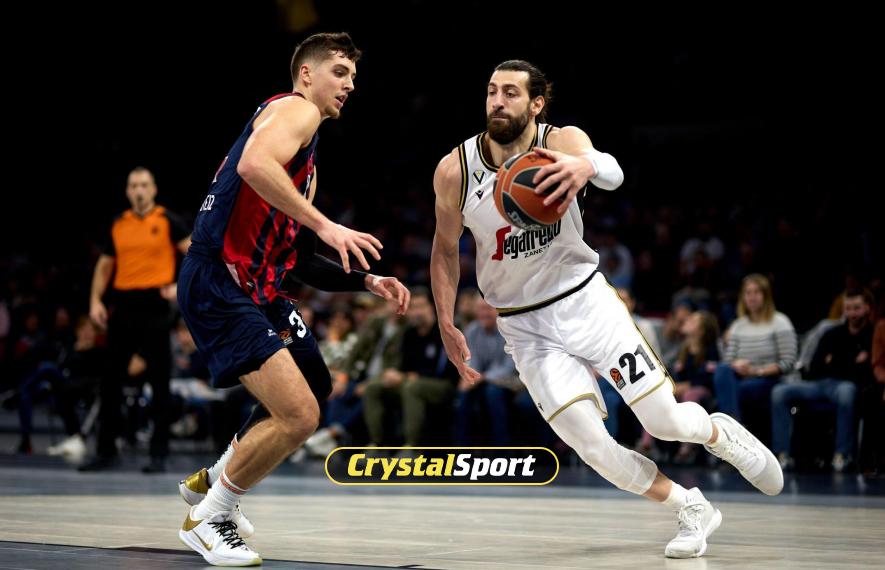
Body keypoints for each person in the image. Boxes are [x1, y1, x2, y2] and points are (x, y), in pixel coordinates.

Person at [430, 59, 782, 560]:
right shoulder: (455, 170)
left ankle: (717, 433)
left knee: (664, 421)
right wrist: (445, 320)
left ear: (536, 103)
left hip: (585, 302)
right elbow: (445, 249)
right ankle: (690, 505)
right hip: (523, 326)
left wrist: (587, 165)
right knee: (592, 446)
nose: (497, 101)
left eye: (510, 92)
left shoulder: (560, 140)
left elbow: (612, 173)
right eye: (491, 91)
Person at [175, 33, 407, 566]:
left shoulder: (306, 163)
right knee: (300, 415)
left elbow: (295, 256)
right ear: (306, 74)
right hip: (220, 281)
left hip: (259, 287)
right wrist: (327, 225)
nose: (350, 85)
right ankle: (209, 517)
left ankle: (214, 479)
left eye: (353, 76)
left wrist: (365, 282)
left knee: (315, 385)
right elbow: (253, 165)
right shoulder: (295, 110)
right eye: (340, 72)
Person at [79, 167, 191, 473]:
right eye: (134, 186)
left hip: (156, 307)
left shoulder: (168, 220)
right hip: (123, 306)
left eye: (144, 185)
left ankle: (158, 454)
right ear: (128, 191)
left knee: (159, 383)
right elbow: (105, 266)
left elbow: (196, 254)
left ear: (153, 189)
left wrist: (180, 285)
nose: (139, 190)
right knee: (110, 382)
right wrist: (95, 301)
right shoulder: (119, 224)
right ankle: (106, 451)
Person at [771, 288, 875, 471]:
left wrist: (834, 360)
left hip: (847, 386)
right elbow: (815, 366)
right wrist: (851, 361)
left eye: (857, 308)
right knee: (780, 392)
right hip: (820, 383)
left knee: (846, 392)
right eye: (848, 308)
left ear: (867, 308)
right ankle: (782, 454)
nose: (852, 313)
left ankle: (842, 455)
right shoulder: (832, 332)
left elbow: (865, 371)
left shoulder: (872, 334)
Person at [712, 274, 798, 441]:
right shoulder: (738, 325)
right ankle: (734, 428)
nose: (751, 297)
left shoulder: (780, 322)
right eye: (748, 293)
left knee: (738, 390)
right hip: (741, 377)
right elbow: (728, 361)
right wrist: (736, 365)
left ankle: (731, 433)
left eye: (756, 292)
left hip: (769, 379)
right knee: (722, 370)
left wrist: (756, 371)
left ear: (766, 296)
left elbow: (788, 362)